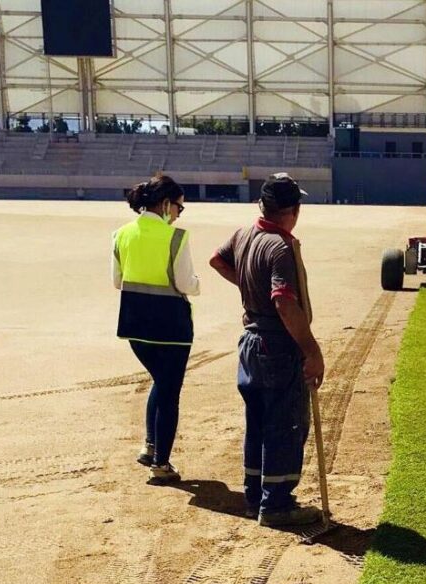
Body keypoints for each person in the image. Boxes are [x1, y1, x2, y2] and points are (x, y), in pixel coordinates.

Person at [209, 173, 325, 528]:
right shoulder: (280, 246)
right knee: (285, 424)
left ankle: (255, 496)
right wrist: (311, 350)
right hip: (277, 345)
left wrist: (248, 285)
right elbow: (285, 304)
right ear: (293, 209)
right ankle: (276, 504)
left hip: (250, 342)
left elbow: (218, 260)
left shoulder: (245, 235)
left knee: (258, 423)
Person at [113, 175, 200, 484]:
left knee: (160, 383)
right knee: (169, 391)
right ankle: (161, 463)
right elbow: (186, 283)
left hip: (135, 324)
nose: (178, 214)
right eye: (179, 207)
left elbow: (116, 280)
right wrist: (197, 284)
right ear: (166, 204)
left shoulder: (121, 234)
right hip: (171, 326)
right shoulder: (175, 237)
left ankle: (150, 447)